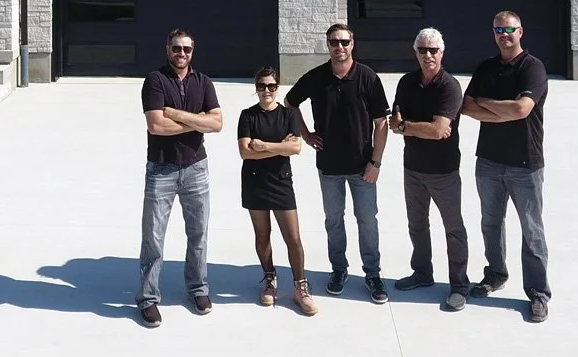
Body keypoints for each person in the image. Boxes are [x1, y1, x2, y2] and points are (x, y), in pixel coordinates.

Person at [285, 23, 391, 303]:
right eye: (334, 42)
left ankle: (373, 274)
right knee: (334, 220)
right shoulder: (316, 77)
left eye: (344, 42)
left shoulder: (367, 77)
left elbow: (381, 124)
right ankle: (339, 270)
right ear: (328, 45)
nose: (339, 47)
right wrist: (305, 134)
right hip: (329, 166)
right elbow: (290, 102)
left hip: (362, 167)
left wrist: (376, 162)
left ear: (352, 44)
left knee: (367, 220)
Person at [460, 10, 552, 322]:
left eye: (509, 29)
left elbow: (522, 109)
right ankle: (496, 274)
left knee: (531, 230)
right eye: (498, 30)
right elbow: (466, 106)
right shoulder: (486, 67)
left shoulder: (533, 68)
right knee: (490, 223)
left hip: (525, 163)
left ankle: (538, 293)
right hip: (488, 160)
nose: (503, 35)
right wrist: (504, 112)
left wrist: (487, 104)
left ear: (520, 32)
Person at [138, 28, 222, 327]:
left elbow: (218, 123)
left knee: (198, 234)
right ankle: (148, 298)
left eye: (187, 49)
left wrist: (176, 114)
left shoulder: (204, 82)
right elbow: (156, 126)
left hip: (196, 168)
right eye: (177, 48)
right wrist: (198, 122)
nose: (182, 54)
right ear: (168, 49)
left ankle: (198, 289)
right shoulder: (155, 80)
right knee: (153, 237)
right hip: (161, 170)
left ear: (192, 51)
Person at [389, 27, 471, 310]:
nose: (428, 55)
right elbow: (394, 124)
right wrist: (413, 127)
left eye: (433, 50)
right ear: (415, 52)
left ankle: (459, 285)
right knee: (417, 225)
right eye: (422, 50)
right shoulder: (406, 82)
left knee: (453, 228)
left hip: (444, 171)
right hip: (412, 167)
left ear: (442, 53)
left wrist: (408, 126)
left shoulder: (450, 87)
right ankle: (422, 273)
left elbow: (438, 131)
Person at [236, 66, 320, 316]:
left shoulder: (288, 115)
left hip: (281, 182)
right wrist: (279, 147)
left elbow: (296, 148)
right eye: (262, 86)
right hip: (254, 182)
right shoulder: (247, 116)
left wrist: (263, 146)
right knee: (262, 236)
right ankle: (269, 278)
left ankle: (300, 286)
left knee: (293, 238)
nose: (267, 91)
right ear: (256, 88)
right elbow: (245, 152)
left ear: (277, 87)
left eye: (271, 86)